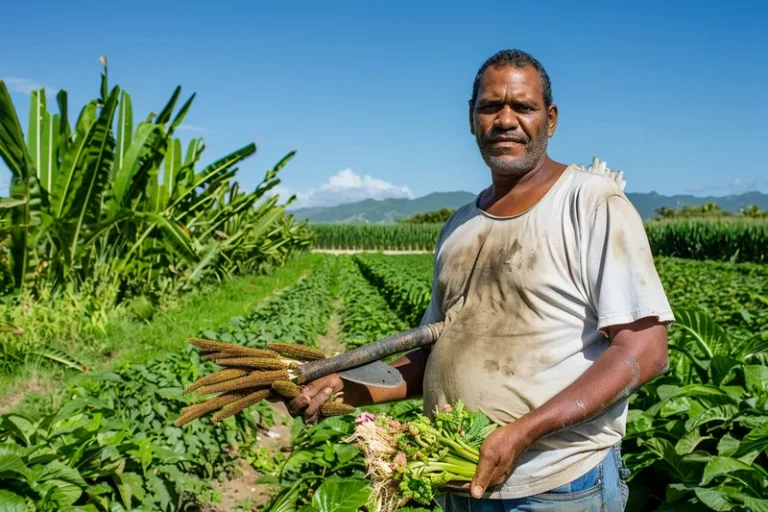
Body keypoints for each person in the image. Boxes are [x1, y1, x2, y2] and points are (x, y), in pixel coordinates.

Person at [287, 49, 674, 511]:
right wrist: (349, 387)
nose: (505, 120)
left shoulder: (590, 204)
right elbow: (435, 357)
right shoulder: (459, 226)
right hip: (462, 479)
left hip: (556, 484)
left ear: (550, 119)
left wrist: (524, 431)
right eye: (490, 107)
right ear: (471, 120)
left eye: (523, 107)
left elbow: (644, 352)